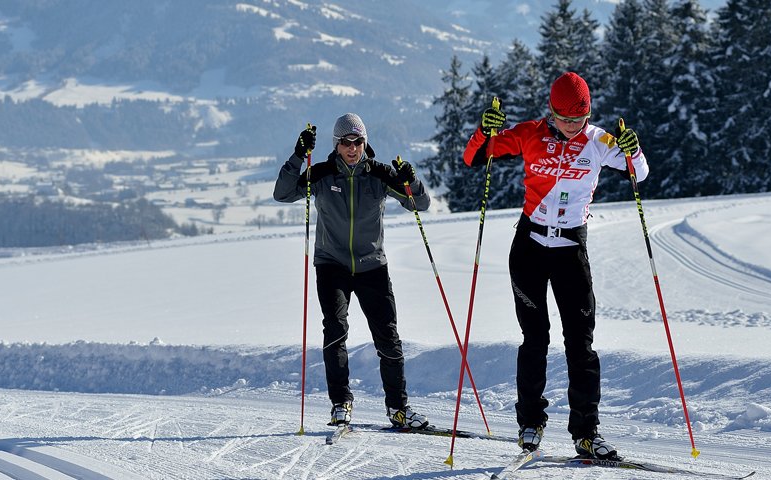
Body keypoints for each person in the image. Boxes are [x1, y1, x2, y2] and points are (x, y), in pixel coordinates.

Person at [461, 72, 647, 460]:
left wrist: (634, 148)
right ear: (551, 112)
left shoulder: (598, 141)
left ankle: (586, 432)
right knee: (536, 337)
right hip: (529, 246)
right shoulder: (530, 133)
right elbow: (474, 157)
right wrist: (483, 130)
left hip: (570, 250)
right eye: (564, 120)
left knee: (581, 343)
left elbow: (638, 172)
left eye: (578, 120)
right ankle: (530, 422)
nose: (571, 127)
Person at [273, 113, 433, 429]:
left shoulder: (380, 174)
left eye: (357, 141)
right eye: (345, 142)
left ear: (365, 142)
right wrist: (297, 155)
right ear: (336, 144)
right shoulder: (321, 174)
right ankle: (341, 404)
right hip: (332, 266)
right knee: (335, 331)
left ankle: (399, 409)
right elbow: (282, 193)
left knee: (388, 337)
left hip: (372, 266)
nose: (352, 148)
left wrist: (410, 180)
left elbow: (420, 204)